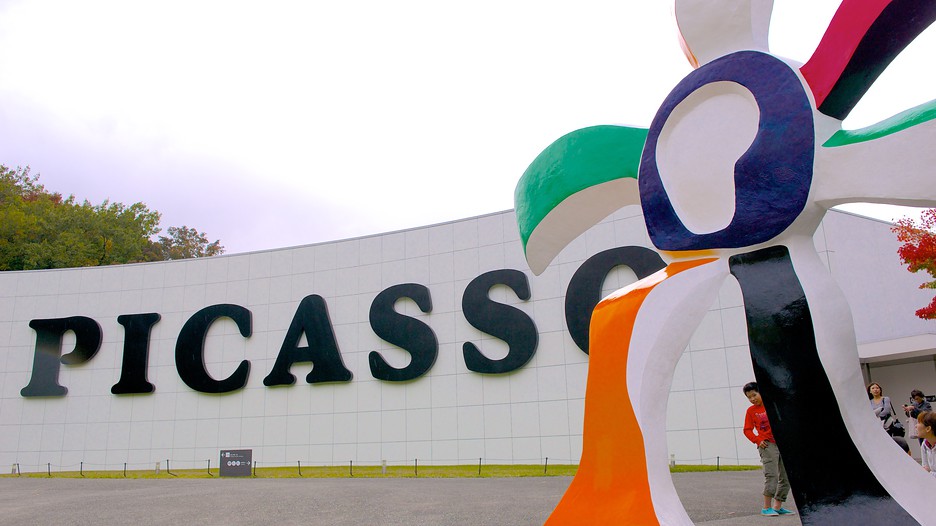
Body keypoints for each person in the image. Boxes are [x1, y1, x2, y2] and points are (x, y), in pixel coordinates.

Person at [742, 382, 794, 517]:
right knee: (772, 475)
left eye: (754, 395)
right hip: (767, 444)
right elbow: (747, 430)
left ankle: (777, 506)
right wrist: (758, 440)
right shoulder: (751, 411)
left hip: (783, 443)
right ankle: (766, 507)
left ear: (761, 392)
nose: (752, 399)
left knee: (786, 476)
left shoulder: (773, 404)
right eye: (749, 397)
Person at [914, 411, 936, 477]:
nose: (916, 426)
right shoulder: (924, 444)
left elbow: (927, 472)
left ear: (928, 428)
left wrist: (930, 473)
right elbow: (924, 469)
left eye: (919, 422)